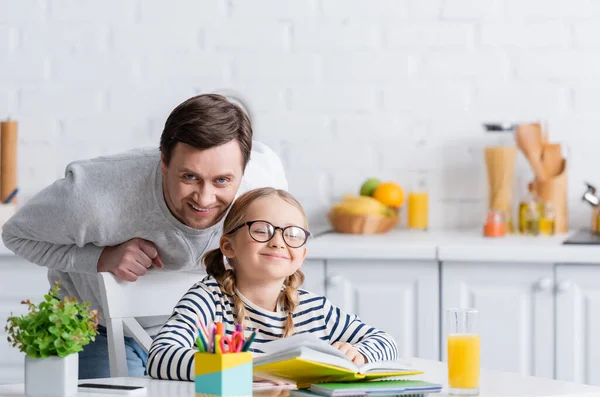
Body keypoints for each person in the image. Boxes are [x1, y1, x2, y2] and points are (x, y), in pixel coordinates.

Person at [1, 94, 287, 378]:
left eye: (222, 181)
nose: (204, 198)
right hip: (102, 331)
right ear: (163, 161)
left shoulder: (262, 188)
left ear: (244, 170)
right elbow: (16, 235)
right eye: (189, 177)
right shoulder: (92, 195)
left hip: (206, 335)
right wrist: (100, 258)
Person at [147, 187, 398, 381]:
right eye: (261, 230)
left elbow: (386, 342)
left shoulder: (315, 309)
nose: (278, 242)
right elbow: (160, 357)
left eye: (292, 234)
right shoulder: (208, 299)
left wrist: (360, 353)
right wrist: (244, 371)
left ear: (302, 255)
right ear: (228, 246)